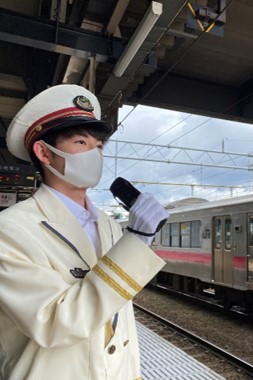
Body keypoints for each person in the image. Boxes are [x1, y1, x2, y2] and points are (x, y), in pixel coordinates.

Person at [0, 84, 169, 380]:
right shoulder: (11, 230)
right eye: (81, 142)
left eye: (99, 146)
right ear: (44, 152)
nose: (95, 154)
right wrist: (138, 241)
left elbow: (118, 316)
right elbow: (54, 323)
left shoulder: (108, 225)